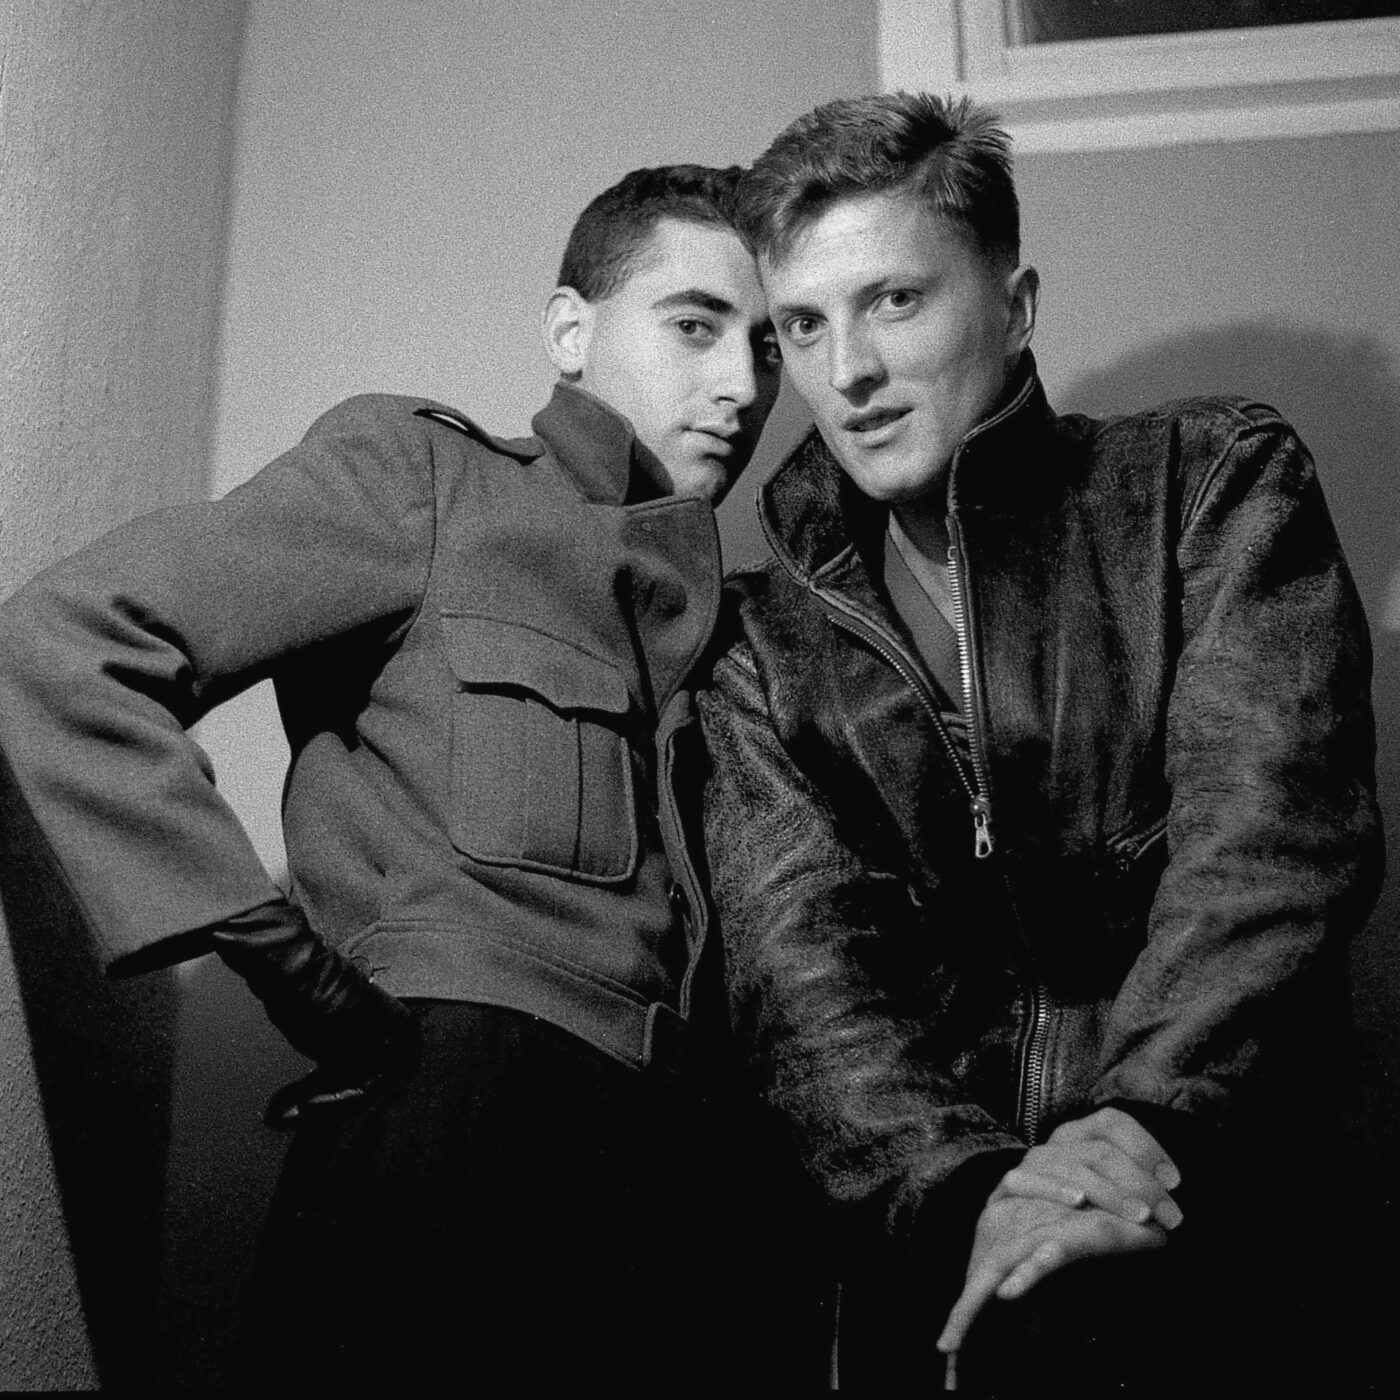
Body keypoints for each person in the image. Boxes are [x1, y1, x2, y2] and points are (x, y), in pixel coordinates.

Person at [0, 164, 783, 1389]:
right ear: (569, 331)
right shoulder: (428, 481)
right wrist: (288, 965)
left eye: (767, 345)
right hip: (454, 1143)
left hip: (670, 1193)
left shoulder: (740, 634)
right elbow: (70, 638)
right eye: (694, 325)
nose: (740, 384)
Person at [698, 93, 1383, 1392]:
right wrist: (979, 1205)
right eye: (804, 325)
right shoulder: (759, 644)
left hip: (1207, 1214)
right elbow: (804, 986)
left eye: (894, 301)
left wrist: (1135, 1127)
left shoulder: (1210, 482)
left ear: (1013, 306)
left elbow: (1268, 848)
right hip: (939, 1276)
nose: (846, 372)